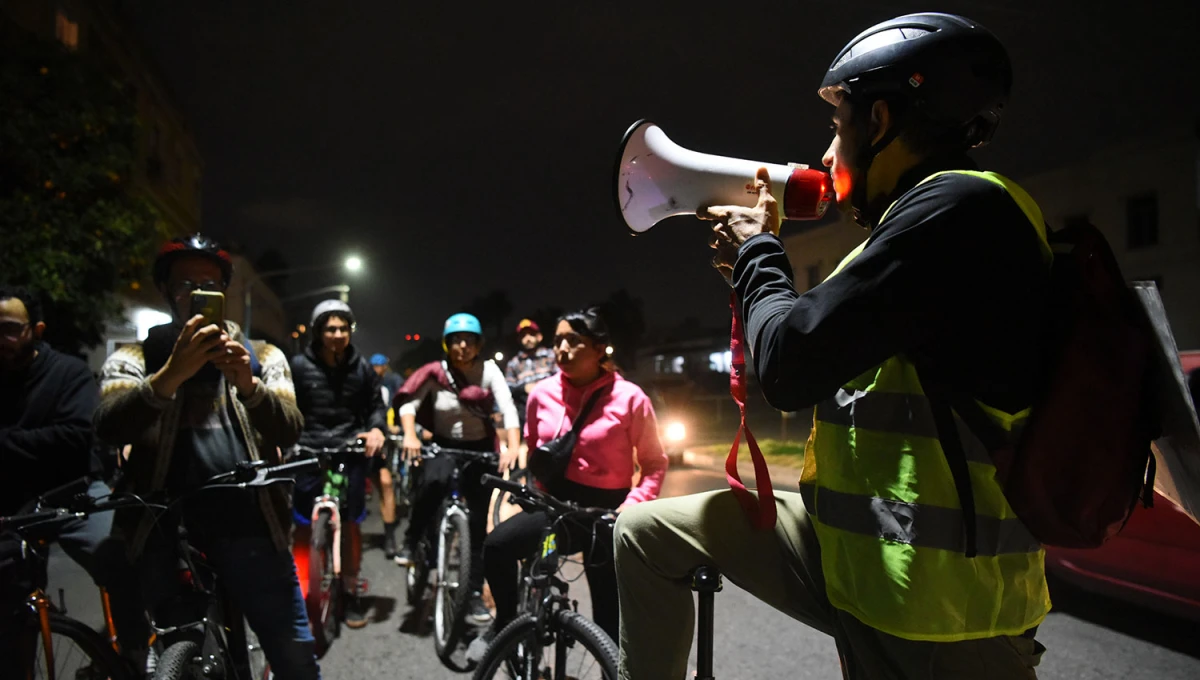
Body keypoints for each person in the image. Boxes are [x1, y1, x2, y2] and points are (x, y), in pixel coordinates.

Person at [615, 13, 1051, 679]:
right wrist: (752, 265)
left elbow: (790, 365)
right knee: (647, 534)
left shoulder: (960, 212)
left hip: (943, 607)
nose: (824, 155)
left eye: (836, 126)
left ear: (878, 122)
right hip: (862, 558)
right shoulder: (912, 229)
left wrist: (758, 253)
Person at [94, 234, 318, 678]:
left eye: (210, 285)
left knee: (293, 655)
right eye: (185, 285)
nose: (197, 295)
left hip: (252, 525)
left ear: (224, 293)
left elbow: (289, 426)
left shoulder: (265, 354)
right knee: (167, 653)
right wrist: (171, 374)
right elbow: (108, 426)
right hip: (166, 529)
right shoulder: (135, 356)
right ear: (166, 291)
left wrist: (248, 386)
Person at [477, 308, 666, 654]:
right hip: (556, 509)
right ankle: (505, 621)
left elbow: (654, 464)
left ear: (598, 349)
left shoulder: (630, 398)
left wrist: (632, 506)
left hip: (608, 514)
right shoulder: (540, 395)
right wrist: (535, 492)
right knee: (497, 547)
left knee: (609, 621)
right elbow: (537, 451)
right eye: (557, 340)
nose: (561, 348)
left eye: (573, 340)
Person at [0, 286, 141, 665]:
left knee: (119, 558)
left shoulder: (68, 372)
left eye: (11, 328)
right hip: (12, 504)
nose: (3, 338)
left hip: (71, 495)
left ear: (37, 330)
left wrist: (8, 441)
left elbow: (77, 435)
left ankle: (134, 654)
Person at [394, 312, 520, 625]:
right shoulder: (435, 372)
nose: (462, 346)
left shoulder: (489, 371)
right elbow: (408, 404)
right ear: (447, 344)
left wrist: (513, 447)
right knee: (432, 484)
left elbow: (507, 408)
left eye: (469, 340)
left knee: (478, 524)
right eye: (456, 340)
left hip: (479, 449)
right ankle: (412, 542)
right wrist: (409, 434)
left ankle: (474, 592)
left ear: (479, 345)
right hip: (443, 443)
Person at [291, 300, 387, 629]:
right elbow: (285, 407)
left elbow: (375, 405)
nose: (338, 334)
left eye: (343, 328)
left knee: (351, 523)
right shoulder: (299, 366)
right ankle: (301, 592)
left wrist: (376, 429)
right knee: (304, 523)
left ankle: (350, 588)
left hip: (350, 448)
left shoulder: (362, 368)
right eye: (331, 329)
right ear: (318, 332)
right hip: (308, 449)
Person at [369, 352, 403, 559]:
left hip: (384, 433)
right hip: (358, 437)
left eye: (380, 366)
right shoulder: (363, 379)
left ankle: (389, 536)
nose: (376, 370)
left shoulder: (393, 381)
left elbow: (398, 404)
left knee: (386, 483)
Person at [503, 319, 557, 436]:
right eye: (523, 335)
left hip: (552, 407)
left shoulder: (551, 355)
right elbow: (507, 388)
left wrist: (542, 387)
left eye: (531, 334)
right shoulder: (514, 363)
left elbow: (562, 378)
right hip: (526, 411)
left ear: (539, 337)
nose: (527, 338)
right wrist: (524, 388)